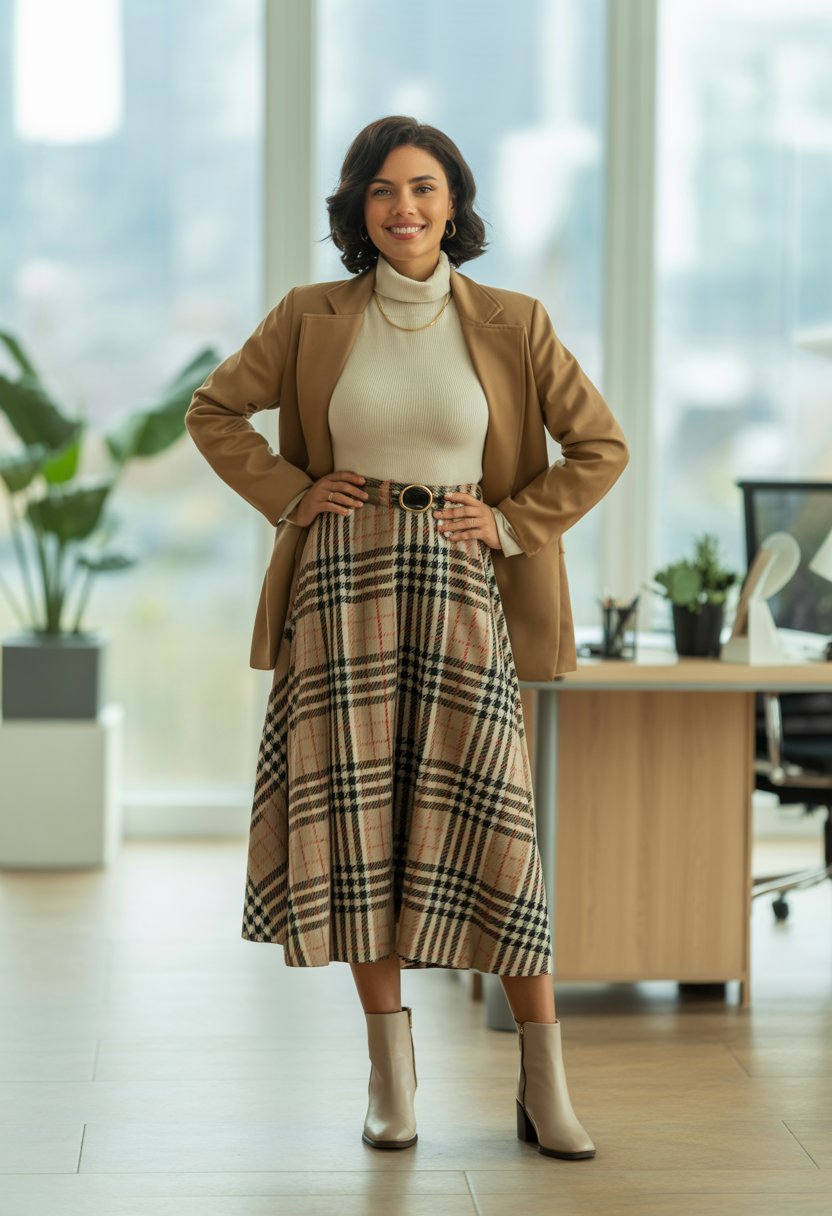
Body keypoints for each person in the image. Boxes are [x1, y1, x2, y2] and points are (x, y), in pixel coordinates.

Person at [185, 115, 628, 1160]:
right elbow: (215, 412)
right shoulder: (308, 316)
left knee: (498, 832)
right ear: (358, 208)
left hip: (465, 582)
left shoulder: (515, 322)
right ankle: (392, 1075)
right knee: (356, 832)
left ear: (455, 203)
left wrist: (513, 520)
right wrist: (294, 494)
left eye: (424, 188)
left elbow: (598, 444)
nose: (405, 208)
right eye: (383, 191)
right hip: (339, 588)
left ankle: (544, 1079)